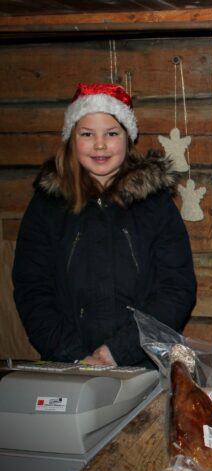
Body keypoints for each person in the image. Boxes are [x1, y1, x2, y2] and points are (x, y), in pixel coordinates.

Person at [13, 83, 197, 367]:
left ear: (128, 138)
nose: (100, 144)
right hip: (68, 364)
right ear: (72, 139)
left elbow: (176, 289)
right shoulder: (47, 207)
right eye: (87, 134)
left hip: (142, 365)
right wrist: (75, 355)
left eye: (111, 134)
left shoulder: (155, 205)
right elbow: (32, 289)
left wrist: (117, 351)